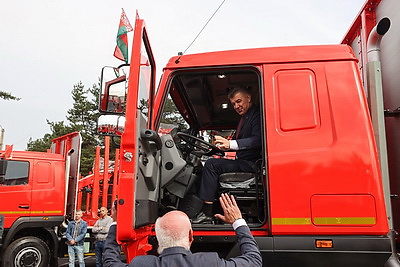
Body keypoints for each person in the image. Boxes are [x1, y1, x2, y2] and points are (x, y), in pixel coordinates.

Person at [103, 193, 262, 267]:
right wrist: (237, 221)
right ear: (191, 236)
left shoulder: (142, 263)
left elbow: (110, 262)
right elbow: (253, 260)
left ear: (158, 239)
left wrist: (117, 221)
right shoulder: (209, 262)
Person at [192, 86, 262, 223]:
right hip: (245, 162)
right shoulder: (245, 118)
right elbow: (235, 142)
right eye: (234, 104)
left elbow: (258, 140)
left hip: (252, 164)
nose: (236, 106)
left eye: (239, 101)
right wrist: (217, 149)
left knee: (212, 165)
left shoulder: (257, 115)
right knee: (212, 161)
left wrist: (230, 144)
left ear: (248, 98)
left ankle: (206, 212)